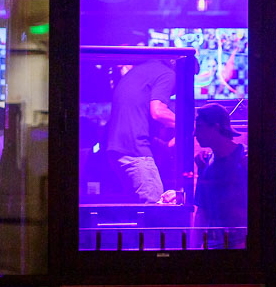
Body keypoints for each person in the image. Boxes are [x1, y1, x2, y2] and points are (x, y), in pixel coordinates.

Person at [103, 60, 176, 203]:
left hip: (116, 150)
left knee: (138, 212)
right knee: (155, 209)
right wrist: (192, 125)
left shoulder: (142, 72)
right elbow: (158, 112)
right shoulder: (168, 73)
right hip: (135, 151)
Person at [193, 104, 246, 245]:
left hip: (242, 244)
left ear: (216, 127)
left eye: (199, 127)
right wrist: (194, 248)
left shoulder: (244, 158)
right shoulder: (205, 162)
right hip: (213, 243)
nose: (195, 133)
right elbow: (201, 210)